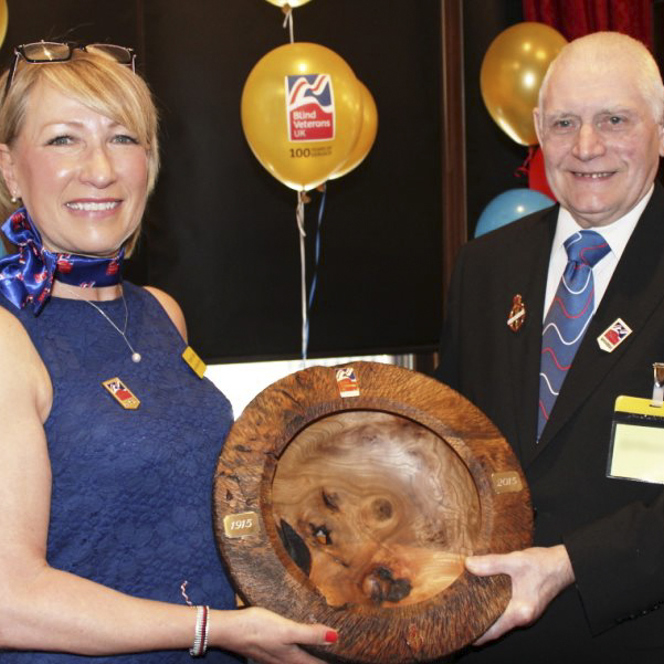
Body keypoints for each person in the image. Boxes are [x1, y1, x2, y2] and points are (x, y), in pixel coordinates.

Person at [0, 42, 337, 663]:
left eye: (123, 138)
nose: (100, 168)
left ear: (149, 162)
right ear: (10, 170)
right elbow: (9, 597)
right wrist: (219, 629)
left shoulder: (160, 311)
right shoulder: (8, 337)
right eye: (63, 140)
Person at [436, 32, 664, 663]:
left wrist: (569, 566)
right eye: (564, 123)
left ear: (661, 130)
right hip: (481, 639)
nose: (586, 147)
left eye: (614, 120)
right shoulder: (484, 267)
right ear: (537, 129)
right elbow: (448, 448)